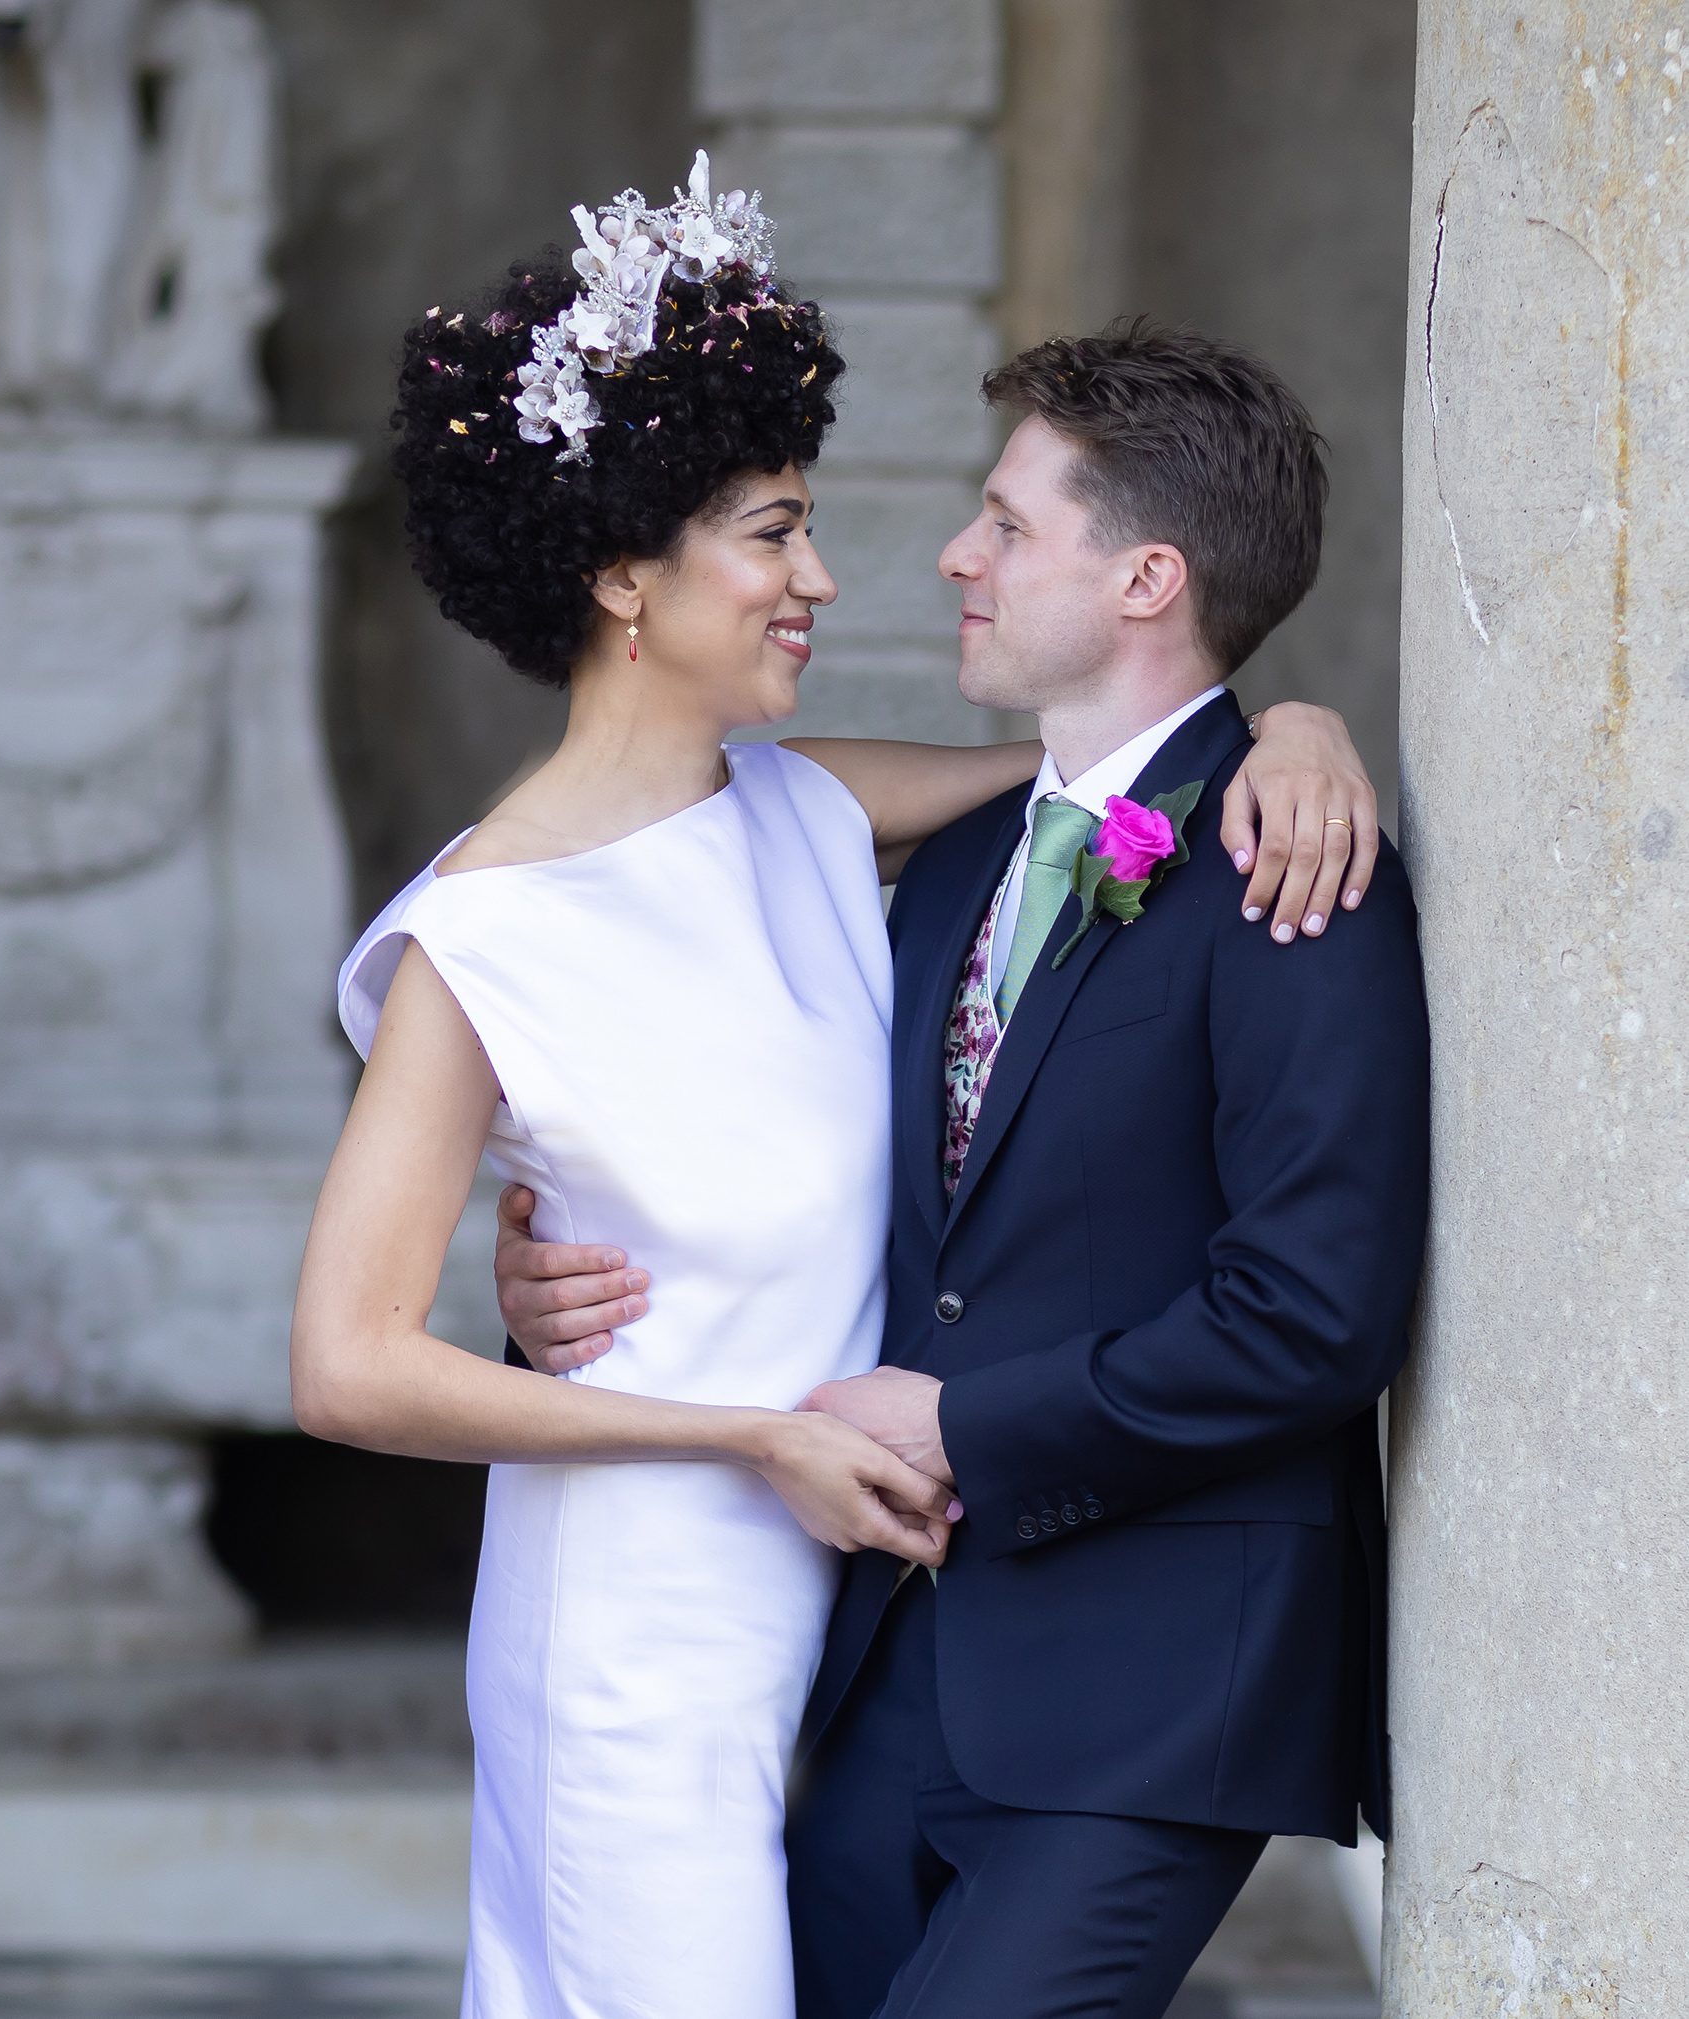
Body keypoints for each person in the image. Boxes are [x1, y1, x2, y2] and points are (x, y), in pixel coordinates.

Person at [292, 159, 1379, 2019]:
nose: (825, 579)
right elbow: (347, 1366)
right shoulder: (483, 942)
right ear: (625, 573)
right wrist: (733, 1429)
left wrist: (1301, 724)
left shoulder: (808, 813)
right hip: (642, 1634)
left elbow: (1110, 773)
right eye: (772, 534)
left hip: (843, 1622)